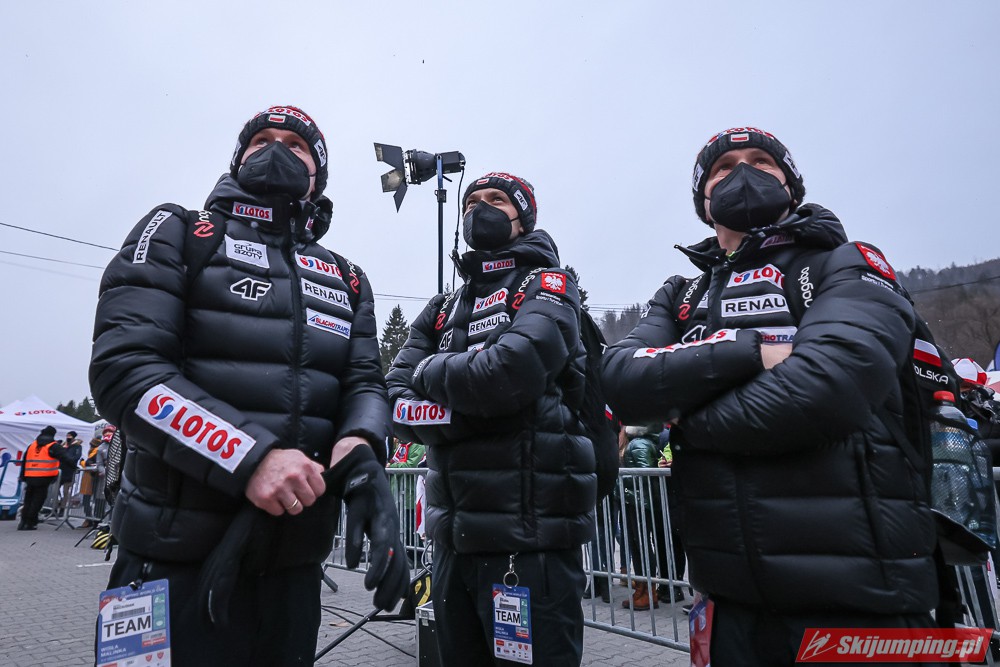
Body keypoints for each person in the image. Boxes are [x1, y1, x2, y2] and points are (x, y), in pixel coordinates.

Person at [601, 127, 940, 665]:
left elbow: (824, 388)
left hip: (857, 601)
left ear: (790, 182)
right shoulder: (682, 295)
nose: (742, 172)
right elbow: (620, 379)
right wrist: (755, 352)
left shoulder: (844, 263)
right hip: (728, 601)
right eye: (723, 167)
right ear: (703, 200)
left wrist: (685, 415)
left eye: (761, 161)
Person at [89, 105, 407, 665]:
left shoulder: (347, 277)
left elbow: (363, 383)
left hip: (290, 571)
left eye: (296, 144)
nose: (276, 149)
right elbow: (125, 369)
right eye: (261, 140)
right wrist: (251, 457)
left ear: (318, 175)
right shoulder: (180, 232)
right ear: (238, 159)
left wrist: (360, 451)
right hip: (169, 562)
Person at [387, 172, 596, 667]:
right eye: (471, 202)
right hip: (452, 545)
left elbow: (508, 372)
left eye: (496, 200)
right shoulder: (442, 307)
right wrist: (479, 410)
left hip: (529, 547)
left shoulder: (547, 285)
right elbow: (392, 400)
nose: (480, 208)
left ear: (523, 218)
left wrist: (429, 373)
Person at [17, 426, 60, 530]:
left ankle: (23, 522)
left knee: (28, 500)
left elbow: (24, 461)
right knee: (37, 501)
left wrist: (22, 475)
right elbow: (65, 457)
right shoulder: (53, 446)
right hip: (43, 477)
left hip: (30, 476)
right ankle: (30, 522)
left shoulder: (32, 445)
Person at [52, 430, 82, 517]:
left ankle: (62, 508)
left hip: (69, 470)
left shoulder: (77, 446)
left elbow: (76, 457)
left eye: (70, 436)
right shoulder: (63, 445)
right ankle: (55, 506)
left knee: (66, 491)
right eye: (67, 435)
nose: (68, 437)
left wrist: (68, 460)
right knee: (55, 490)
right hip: (60, 470)